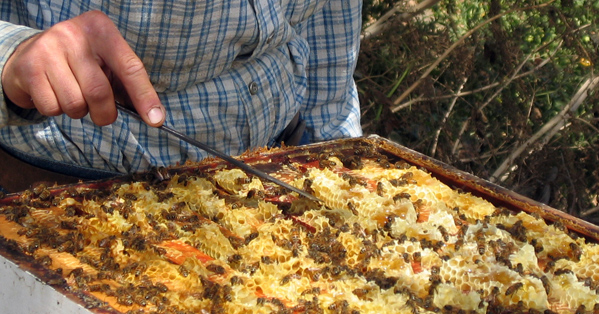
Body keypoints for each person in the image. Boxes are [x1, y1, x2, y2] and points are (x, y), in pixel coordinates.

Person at [0, 0, 362, 192]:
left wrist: (336, 154)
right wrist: (14, 54)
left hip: (281, 170)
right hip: (78, 185)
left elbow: (330, 18)